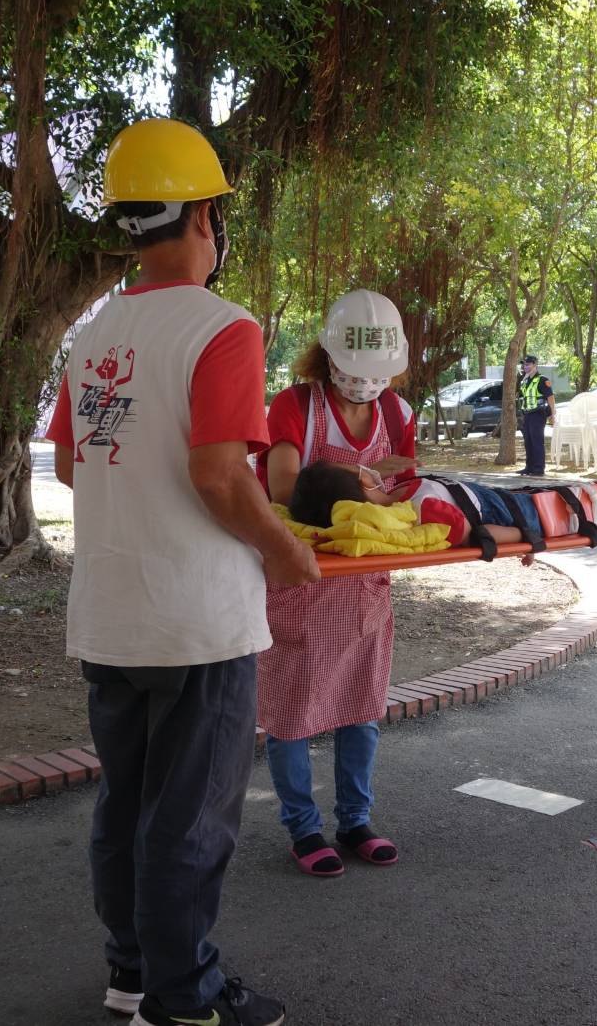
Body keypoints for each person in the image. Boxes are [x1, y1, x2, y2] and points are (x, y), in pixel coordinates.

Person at [47, 117, 319, 1026]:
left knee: (126, 807)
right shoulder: (225, 329)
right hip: (197, 623)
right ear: (203, 216)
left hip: (111, 614)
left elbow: (67, 466)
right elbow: (216, 474)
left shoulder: (93, 335)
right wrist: (285, 551)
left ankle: (130, 976)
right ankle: (187, 998)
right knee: (189, 822)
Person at [257, 290, 416, 877]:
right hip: (301, 581)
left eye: (379, 374)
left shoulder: (398, 415)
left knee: (361, 708)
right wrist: (362, 484)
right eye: (354, 371)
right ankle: (304, 828)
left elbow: (404, 497)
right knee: (293, 712)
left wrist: (382, 495)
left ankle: (355, 819)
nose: (366, 384)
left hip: (365, 589)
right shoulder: (295, 406)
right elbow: (282, 492)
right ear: (327, 356)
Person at [288, 459, 531, 550]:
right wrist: (525, 536)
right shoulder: (420, 511)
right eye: (354, 466)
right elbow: (476, 536)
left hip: (509, 500)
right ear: (362, 482)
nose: (362, 466)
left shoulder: (401, 496)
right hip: (526, 515)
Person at [515, 353, 556, 476]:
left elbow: (551, 397)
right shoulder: (525, 380)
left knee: (537, 441)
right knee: (528, 441)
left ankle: (538, 469)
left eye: (527, 364)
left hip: (538, 414)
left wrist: (553, 414)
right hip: (527, 415)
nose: (525, 367)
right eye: (524, 365)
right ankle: (529, 467)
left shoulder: (542, 380)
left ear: (534, 365)